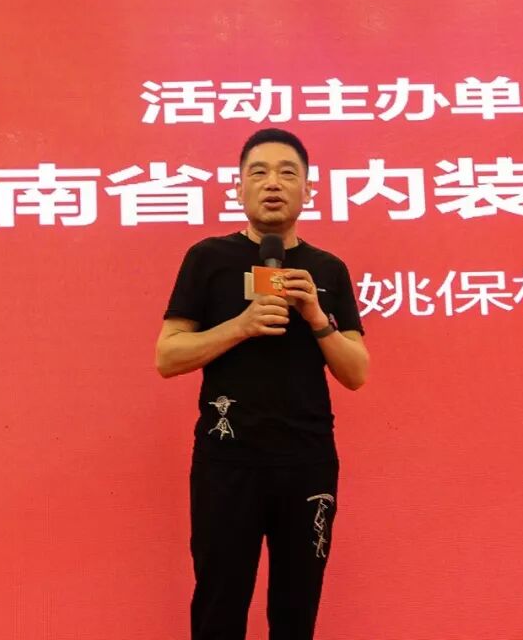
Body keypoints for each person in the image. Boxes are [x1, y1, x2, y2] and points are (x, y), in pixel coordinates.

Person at [156, 128, 369, 640]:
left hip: (307, 460)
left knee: (297, 609)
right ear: (238, 188)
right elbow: (167, 355)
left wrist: (317, 318)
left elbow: (356, 372)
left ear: (309, 190)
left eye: (287, 173)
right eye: (259, 172)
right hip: (227, 462)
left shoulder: (328, 269)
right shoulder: (207, 258)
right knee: (219, 604)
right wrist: (242, 325)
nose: (273, 183)